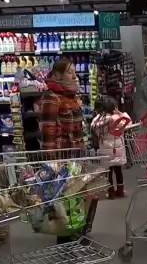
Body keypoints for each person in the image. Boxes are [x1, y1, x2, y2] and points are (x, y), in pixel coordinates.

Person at [39, 59, 88, 243]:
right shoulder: (52, 98)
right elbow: (48, 131)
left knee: (75, 198)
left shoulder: (71, 97)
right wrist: (51, 162)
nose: (74, 76)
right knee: (63, 201)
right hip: (61, 158)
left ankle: (75, 236)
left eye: (74, 71)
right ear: (57, 75)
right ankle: (66, 244)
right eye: (69, 72)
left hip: (75, 156)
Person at [91, 96, 131, 198]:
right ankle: (121, 191)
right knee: (118, 171)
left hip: (104, 148)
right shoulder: (115, 118)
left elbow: (94, 131)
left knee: (108, 172)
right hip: (117, 148)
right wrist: (121, 114)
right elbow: (128, 123)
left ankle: (110, 191)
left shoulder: (96, 121)